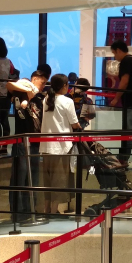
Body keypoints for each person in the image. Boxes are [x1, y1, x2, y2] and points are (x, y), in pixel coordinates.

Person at [7, 71, 47, 223]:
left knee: (33, 179)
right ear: (34, 79)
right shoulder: (20, 94)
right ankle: (17, 213)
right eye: (42, 82)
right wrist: (30, 88)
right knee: (20, 177)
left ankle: (30, 210)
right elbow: (9, 85)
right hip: (22, 142)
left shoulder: (39, 99)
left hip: (35, 143)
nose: (43, 86)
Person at [40, 74, 81, 215]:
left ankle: (46, 209)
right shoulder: (67, 101)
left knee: (48, 180)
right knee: (59, 180)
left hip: (46, 146)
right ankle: (53, 212)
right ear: (64, 86)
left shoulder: (46, 99)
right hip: (61, 147)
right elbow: (74, 124)